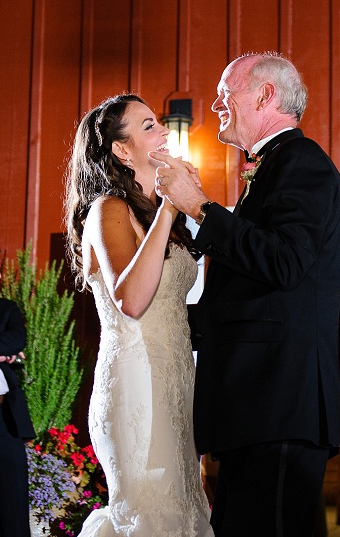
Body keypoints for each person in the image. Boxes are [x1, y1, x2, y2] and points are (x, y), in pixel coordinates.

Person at [151, 52, 340, 536]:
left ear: (266, 95)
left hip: (278, 401)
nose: (218, 102)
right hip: (258, 407)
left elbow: (284, 263)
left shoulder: (303, 163)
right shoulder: (272, 166)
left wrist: (198, 206)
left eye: (227, 91)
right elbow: (250, 285)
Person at [64, 94, 213, 536]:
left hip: (177, 381)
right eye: (149, 125)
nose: (165, 130)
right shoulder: (108, 210)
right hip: (136, 384)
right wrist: (171, 205)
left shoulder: (159, 218)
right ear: (122, 150)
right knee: (150, 516)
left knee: (185, 511)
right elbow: (132, 300)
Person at [0, 299, 36, 537]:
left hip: (3, 418)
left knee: (11, 499)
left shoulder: (5, 309)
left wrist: (6, 350)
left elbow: (17, 339)